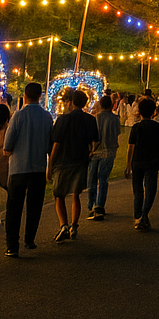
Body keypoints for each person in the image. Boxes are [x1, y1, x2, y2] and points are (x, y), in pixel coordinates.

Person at [3, 81, 52, 257]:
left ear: (24, 95)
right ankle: (29, 239)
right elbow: (50, 143)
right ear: (40, 96)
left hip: (18, 167)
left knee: (14, 208)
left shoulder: (18, 115)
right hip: (38, 167)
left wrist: (9, 150)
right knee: (34, 206)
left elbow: (8, 144)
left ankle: (12, 245)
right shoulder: (47, 117)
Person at [48, 88, 100, 242]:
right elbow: (95, 142)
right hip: (81, 161)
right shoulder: (90, 120)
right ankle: (74, 225)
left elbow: (56, 144)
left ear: (71, 102)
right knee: (76, 194)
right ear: (85, 103)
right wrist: (90, 151)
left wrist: (50, 164)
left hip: (63, 161)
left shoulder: (63, 119)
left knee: (59, 194)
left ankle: (63, 225)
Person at [125, 95, 159, 230]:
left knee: (138, 191)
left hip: (137, 161)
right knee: (150, 189)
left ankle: (137, 216)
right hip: (153, 161)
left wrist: (128, 165)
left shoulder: (136, 127)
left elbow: (131, 147)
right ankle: (144, 213)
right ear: (153, 112)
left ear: (140, 112)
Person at [87, 93, 122, 220]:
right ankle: (99, 205)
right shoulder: (115, 119)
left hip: (96, 151)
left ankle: (91, 204)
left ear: (100, 105)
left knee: (91, 179)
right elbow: (117, 133)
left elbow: (92, 136)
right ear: (112, 105)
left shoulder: (96, 118)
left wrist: (91, 149)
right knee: (103, 179)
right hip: (109, 151)